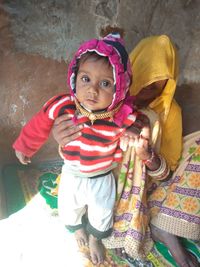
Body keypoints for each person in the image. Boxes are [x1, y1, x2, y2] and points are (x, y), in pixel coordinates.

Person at [51, 34, 200, 267]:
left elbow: (165, 174)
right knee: (81, 198)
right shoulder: (103, 101)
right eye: (144, 80)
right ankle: (103, 224)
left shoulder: (170, 113)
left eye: (156, 86)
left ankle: (162, 228)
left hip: (145, 186)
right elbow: (78, 142)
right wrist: (62, 140)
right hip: (100, 175)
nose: (146, 91)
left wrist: (147, 156)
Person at [12, 29, 153, 265]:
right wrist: (25, 146)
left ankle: (96, 238)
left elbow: (135, 126)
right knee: (68, 207)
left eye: (105, 83)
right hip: (72, 172)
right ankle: (77, 229)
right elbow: (40, 122)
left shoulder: (121, 115)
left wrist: (130, 132)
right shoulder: (64, 105)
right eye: (85, 79)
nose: (92, 90)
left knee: (102, 214)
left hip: (102, 175)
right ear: (74, 77)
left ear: (119, 90)